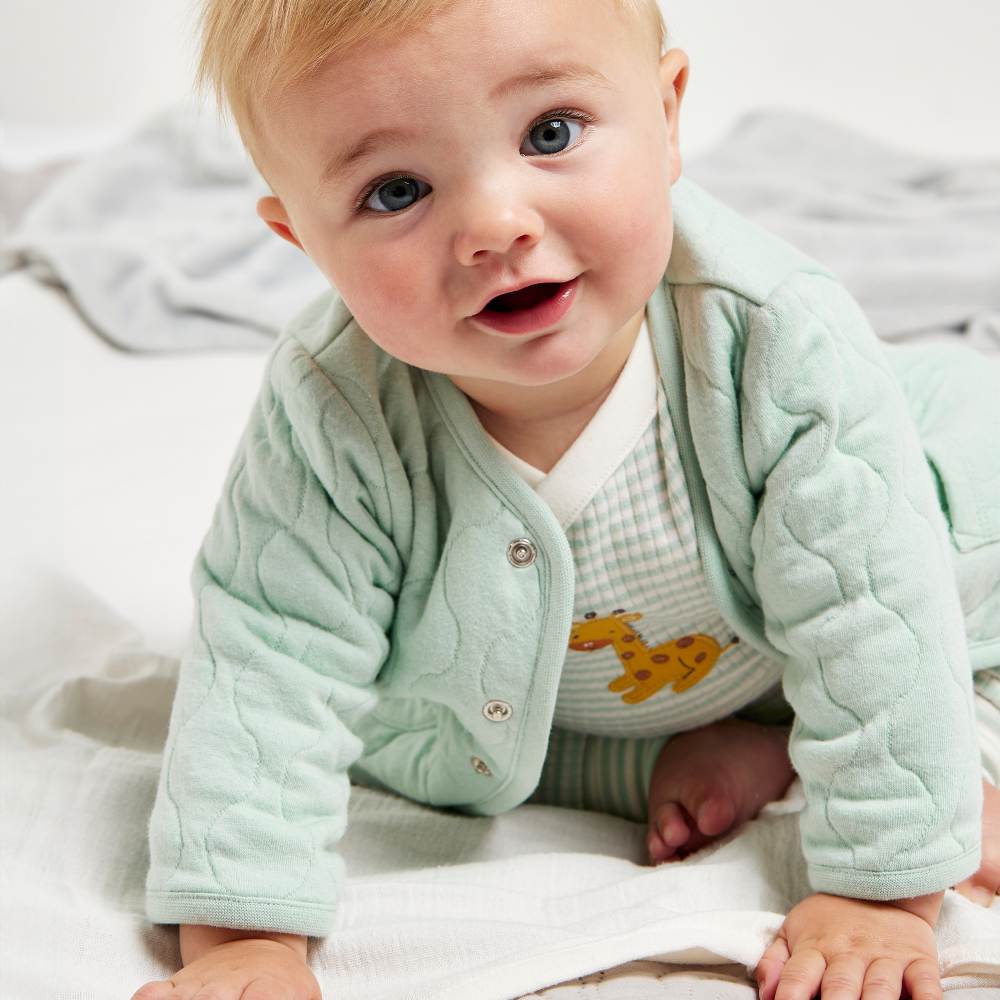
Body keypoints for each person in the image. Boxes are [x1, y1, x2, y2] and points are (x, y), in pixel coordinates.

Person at [131, 1, 1000, 998]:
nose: (495, 224)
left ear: (667, 117)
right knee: (414, 741)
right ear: (301, 240)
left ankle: (944, 755)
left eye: (549, 134)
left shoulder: (772, 343)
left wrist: (882, 890)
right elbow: (273, 647)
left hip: (893, 581)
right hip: (562, 692)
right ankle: (704, 758)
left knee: (946, 609)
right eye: (396, 189)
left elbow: (871, 605)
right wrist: (244, 934)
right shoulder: (334, 409)